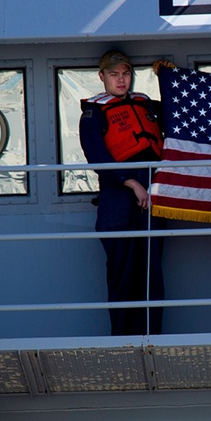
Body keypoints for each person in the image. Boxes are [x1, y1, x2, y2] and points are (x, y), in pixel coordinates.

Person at [79, 50, 166, 336]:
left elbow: (178, 116)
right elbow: (98, 158)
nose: (121, 80)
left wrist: (168, 77)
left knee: (151, 275)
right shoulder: (93, 114)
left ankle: (153, 339)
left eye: (125, 74)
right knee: (122, 275)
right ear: (102, 77)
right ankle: (123, 344)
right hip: (117, 204)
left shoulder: (145, 105)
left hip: (151, 202)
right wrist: (131, 182)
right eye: (114, 74)